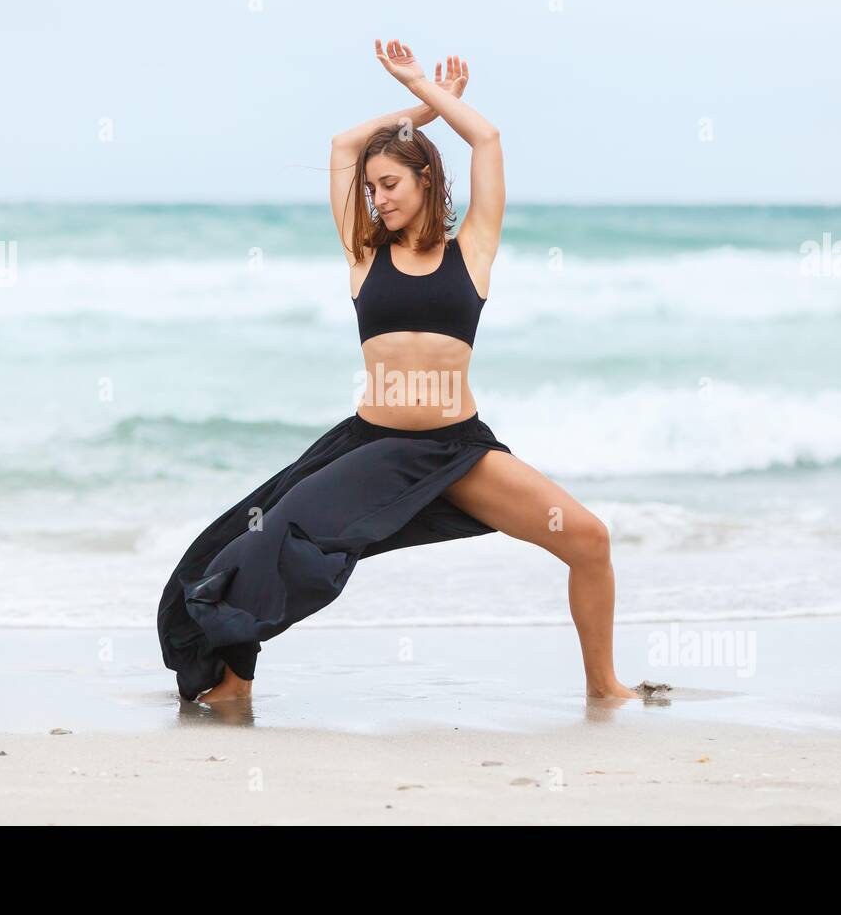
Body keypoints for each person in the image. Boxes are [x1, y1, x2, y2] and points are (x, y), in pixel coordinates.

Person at [157, 40, 640, 704]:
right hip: (373, 448)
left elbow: (489, 140)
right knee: (268, 539)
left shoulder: (471, 249)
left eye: (391, 184)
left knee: (587, 538)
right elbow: (341, 146)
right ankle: (232, 687)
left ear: (425, 182)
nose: (378, 197)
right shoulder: (362, 251)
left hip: (456, 451)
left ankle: (605, 688)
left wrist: (432, 94)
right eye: (372, 187)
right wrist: (421, 107)